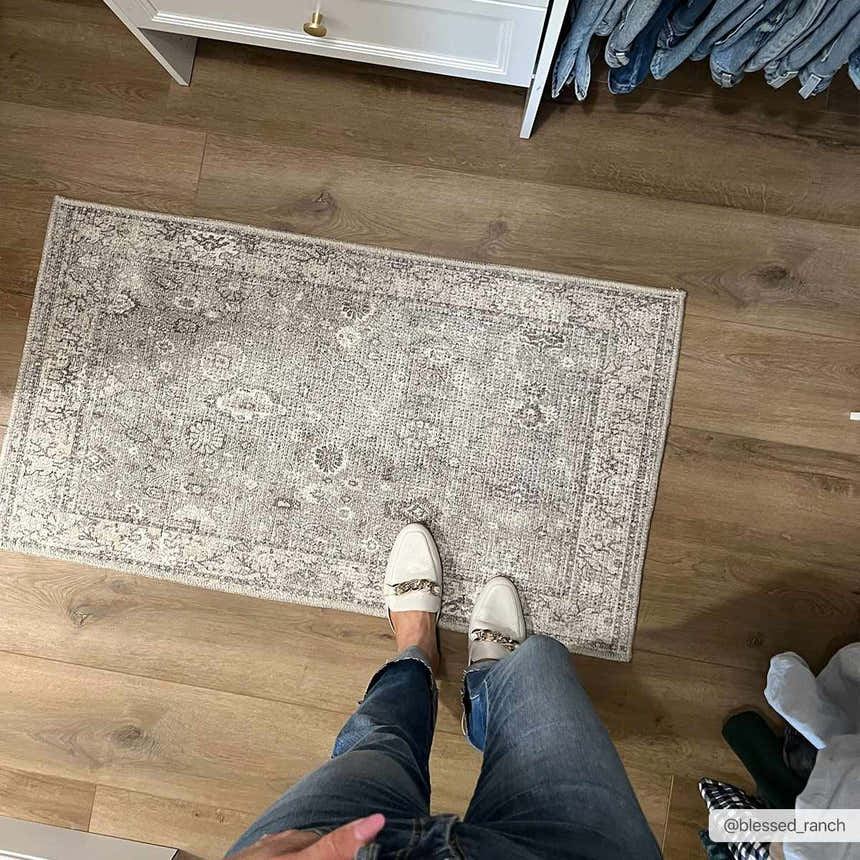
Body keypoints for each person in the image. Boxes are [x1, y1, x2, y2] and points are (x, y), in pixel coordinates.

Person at [226, 524, 662, 859]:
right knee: (538, 663)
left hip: (331, 847)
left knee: (383, 740)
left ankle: (416, 650)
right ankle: (485, 700)